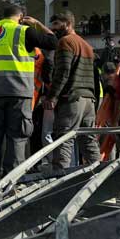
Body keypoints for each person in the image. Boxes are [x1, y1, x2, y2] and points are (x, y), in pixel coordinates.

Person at [0, 4, 57, 181]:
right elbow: (53, 42)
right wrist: (36, 23)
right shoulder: (24, 32)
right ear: (21, 17)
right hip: (18, 92)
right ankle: (11, 180)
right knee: (17, 136)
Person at [43, 11, 101, 171]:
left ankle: (60, 181)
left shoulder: (65, 42)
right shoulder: (87, 46)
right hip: (88, 100)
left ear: (67, 24)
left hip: (72, 100)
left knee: (63, 140)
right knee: (89, 141)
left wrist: (52, 96)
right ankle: (100, 177)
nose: (53, 28)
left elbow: (62, 72)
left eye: (56, 24)